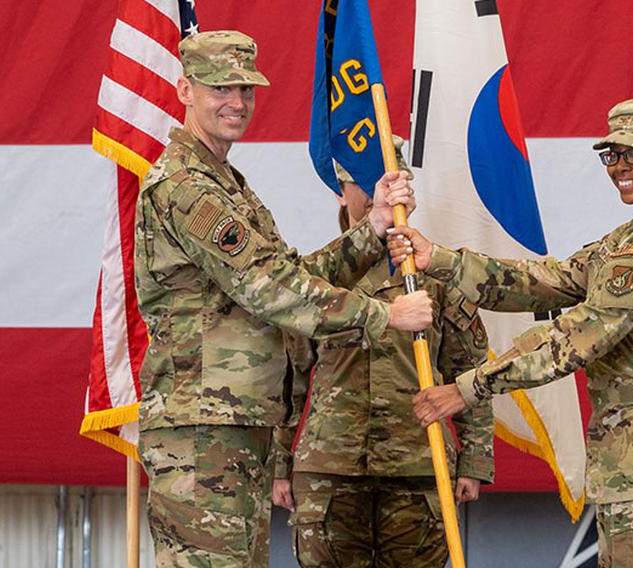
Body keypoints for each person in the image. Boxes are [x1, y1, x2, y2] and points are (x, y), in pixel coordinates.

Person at [389, 96, 633, 568]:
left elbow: (579, 335)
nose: (620, 167)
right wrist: (441, 260)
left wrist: (467, 389)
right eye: (613, 154)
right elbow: (555, 280)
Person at [133, 31, 432, 567]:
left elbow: (287, 273)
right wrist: (385, 314)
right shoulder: (186, 186)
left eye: (245, 89)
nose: (237, 102)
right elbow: (271, 290)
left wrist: (374, 227)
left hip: (235, 422)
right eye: (220, 87)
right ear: (184, 89)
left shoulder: (227, 183)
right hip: (203, 428)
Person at [271, 140, 495, 567]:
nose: (386, 195)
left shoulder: (434, 273)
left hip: (418, 463)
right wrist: (279, 463)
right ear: (341, 189)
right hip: (331, 466)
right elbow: (289, 377)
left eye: (396, 183)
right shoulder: (318, 277)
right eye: (371, 184)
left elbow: (470, 371)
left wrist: (475, 458)